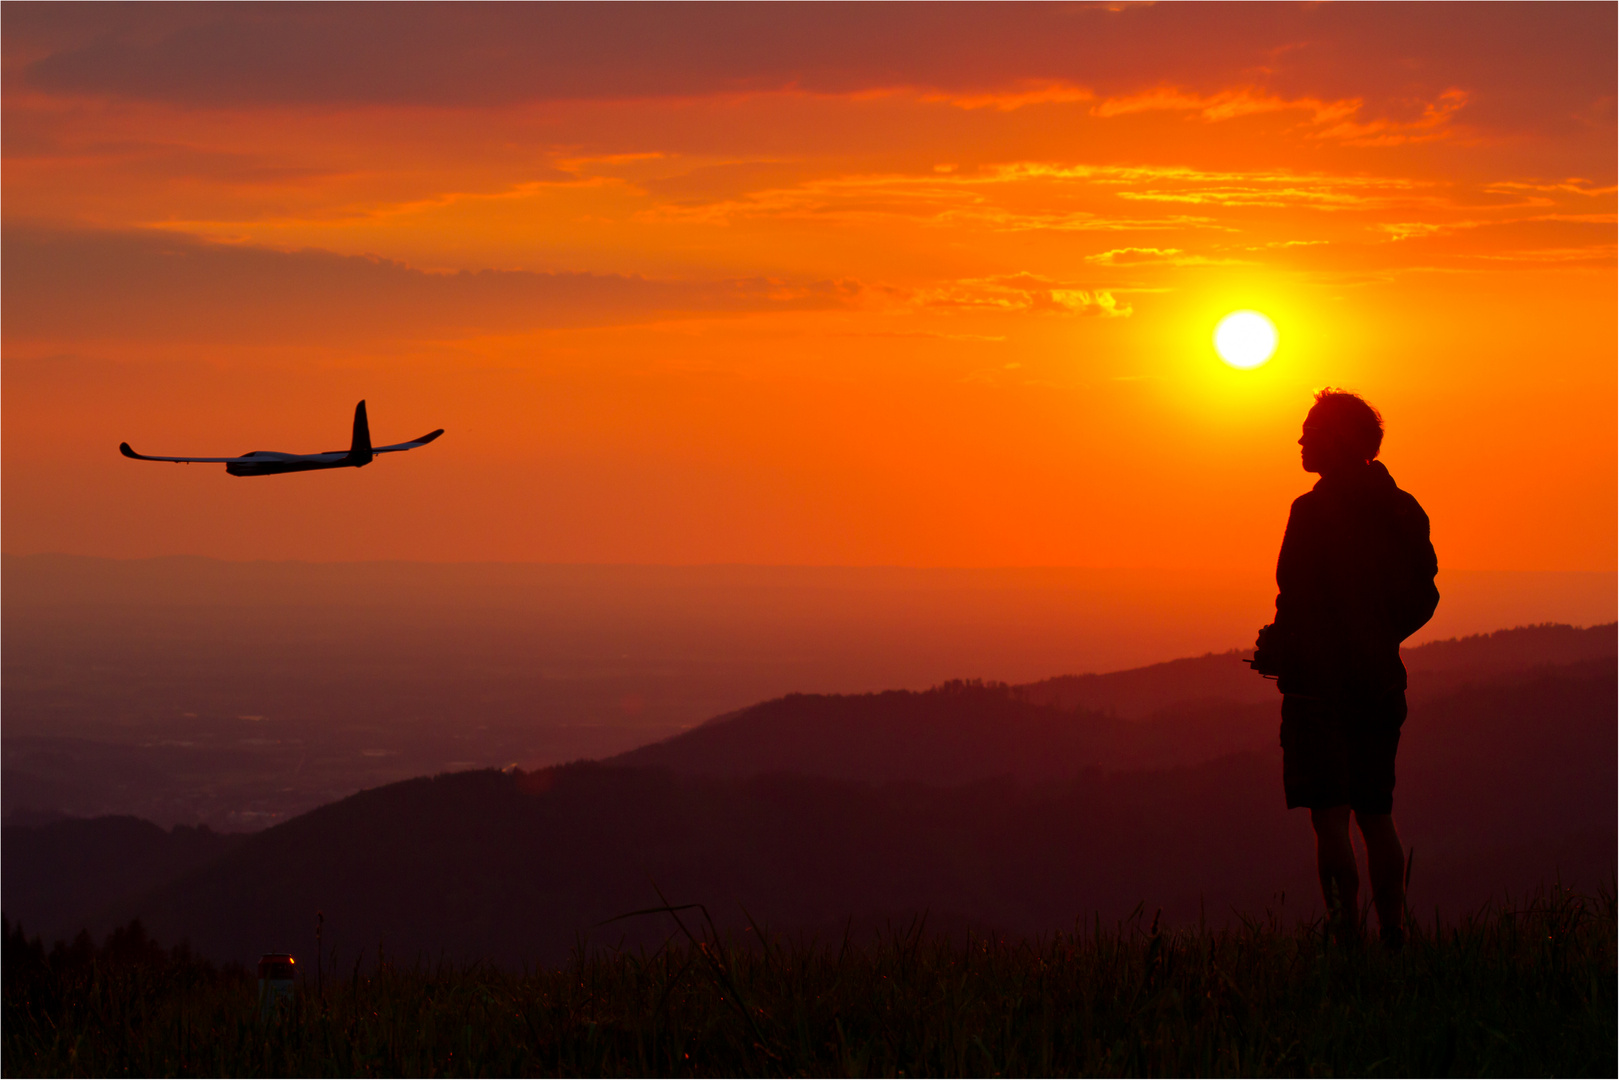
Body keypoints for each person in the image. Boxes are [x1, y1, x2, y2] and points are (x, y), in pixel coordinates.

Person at [1251, 389, 1438, 949]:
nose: (1301, 440)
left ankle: (1343, 937)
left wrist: (1283, 646)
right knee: (1376, 812)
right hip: (1380, 681)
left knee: (1330, 817)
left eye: (1310, 430)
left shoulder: (1309, 513)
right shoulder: (1404, 509)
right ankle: (1394, 933)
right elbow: (1424, 595)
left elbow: (1296, 596)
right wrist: (1379, 636)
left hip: (1318, 690)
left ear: (1339, 439)